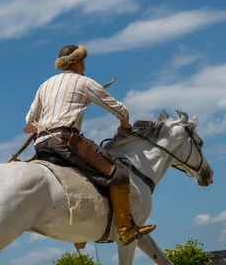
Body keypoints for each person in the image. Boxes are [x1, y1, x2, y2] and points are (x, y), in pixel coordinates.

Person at [24, 44, 156, 246]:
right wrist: (125, 125)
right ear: (77, 62)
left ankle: (81, 232)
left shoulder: (45, 85)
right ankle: (126, 229)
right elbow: (119, 109)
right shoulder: (83, 82)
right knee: (118, 172)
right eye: (83, 61)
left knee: (80, 175)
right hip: (66, 141)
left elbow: (30, 120)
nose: (85, 65)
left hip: (41, 144)